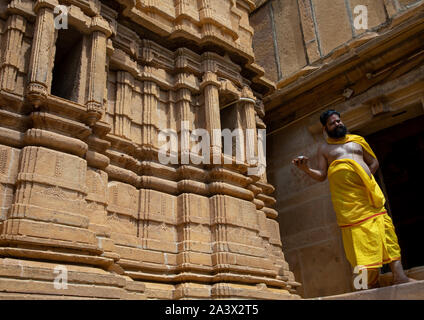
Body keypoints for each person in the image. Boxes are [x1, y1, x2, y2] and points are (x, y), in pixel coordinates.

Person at [292, 109, 415, 289]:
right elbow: (321, 175)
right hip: (348, 204)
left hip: (368, 198)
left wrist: (365, 179)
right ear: (325, 129)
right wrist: (306, 169)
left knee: (386, 234)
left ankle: (400, 276)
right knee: (358, 243)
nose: (338, 124)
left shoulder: (358, 141)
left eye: (339, 121)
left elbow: (373, 162)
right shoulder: (324, 149)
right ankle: (367, 284)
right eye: (333, 123)